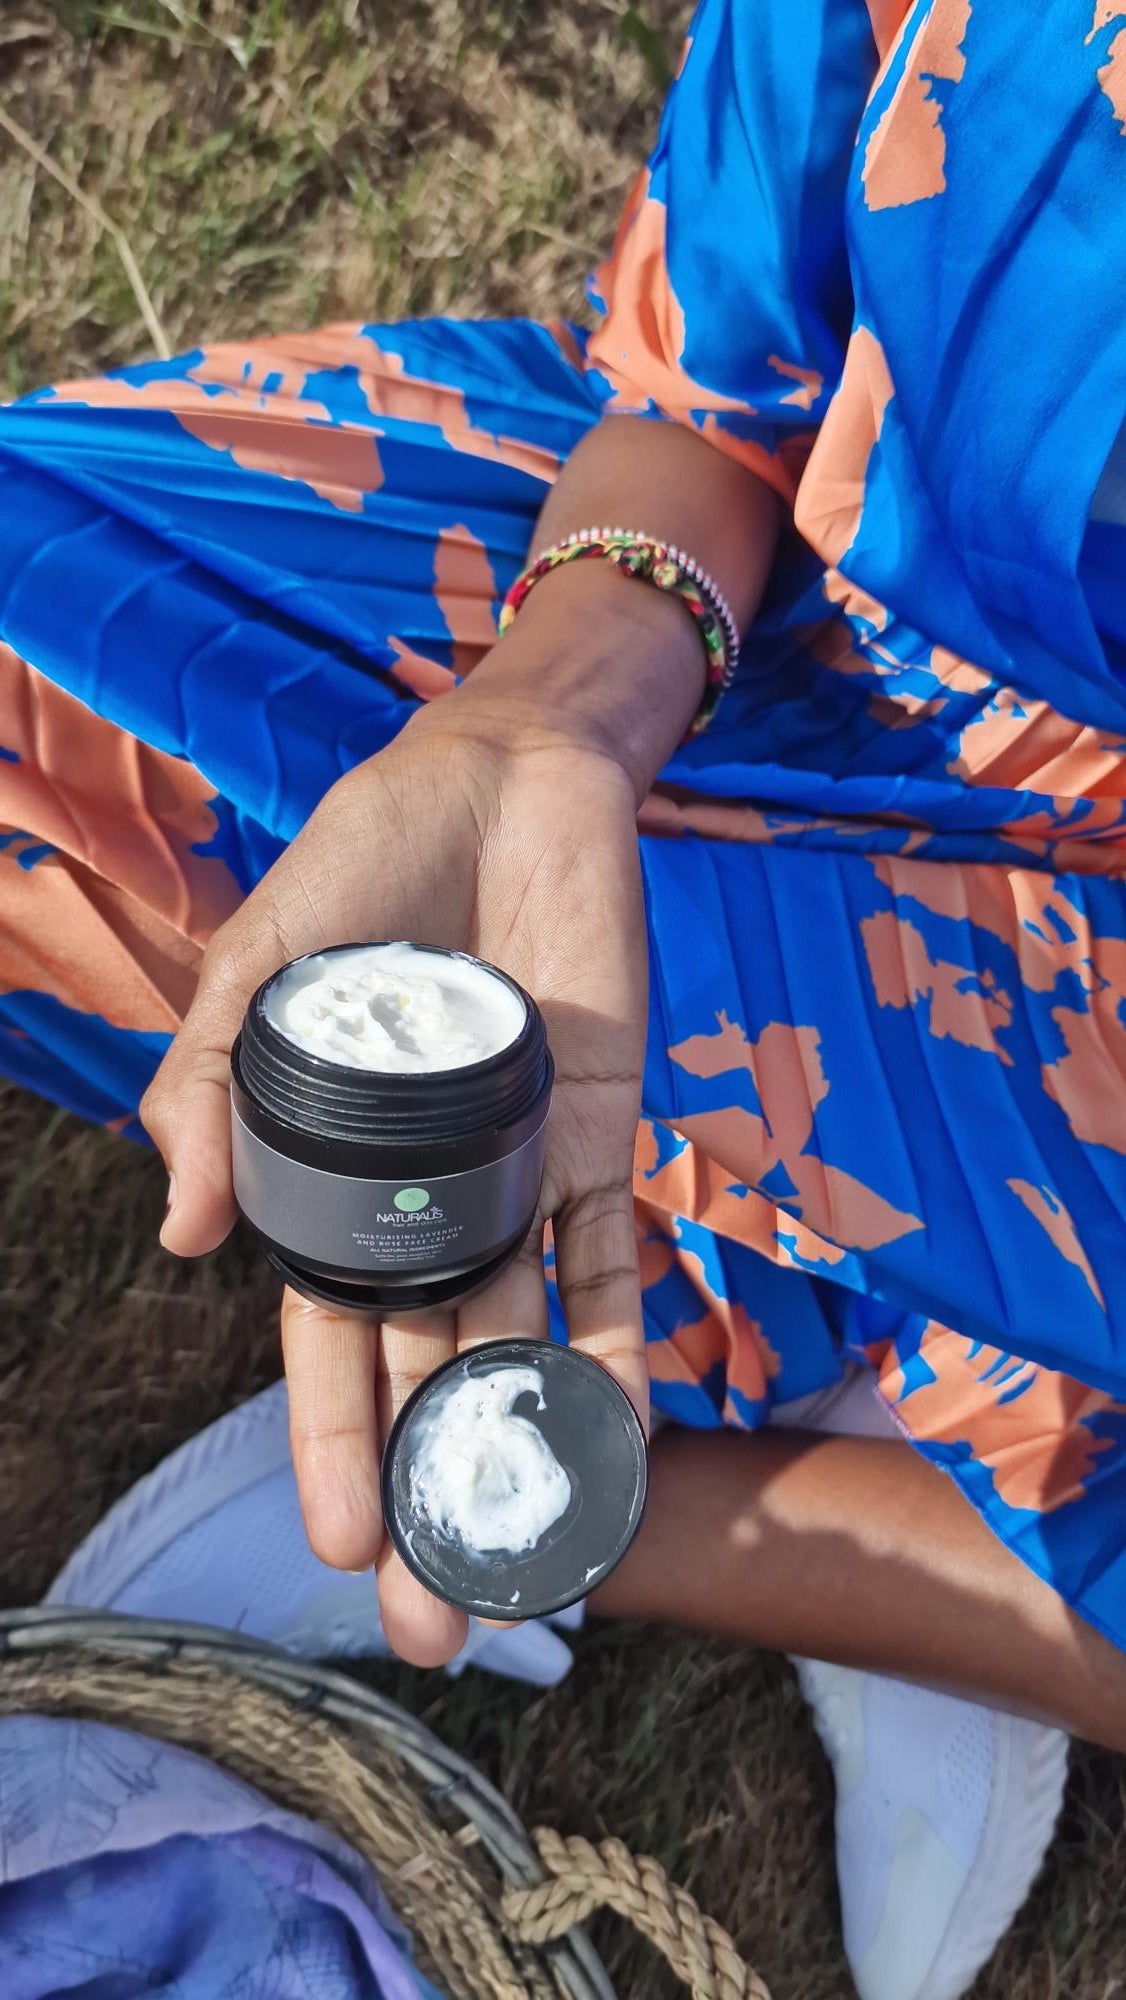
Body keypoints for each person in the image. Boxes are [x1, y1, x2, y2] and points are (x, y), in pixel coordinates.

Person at [2, 1, 1124, 1992]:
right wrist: (551, 714)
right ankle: (826, 1339)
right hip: (770, 636)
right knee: (48, 722)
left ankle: (755, 1484)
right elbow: (706, 390)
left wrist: (542, 1510)